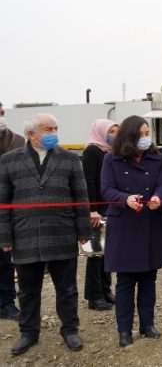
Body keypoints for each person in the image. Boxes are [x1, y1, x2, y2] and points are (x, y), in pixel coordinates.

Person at [0, 114, 91, 355]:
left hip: (61, 232)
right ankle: (29, 332)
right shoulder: (9, 161)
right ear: (31, 134)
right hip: (25, 234)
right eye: (48, 129)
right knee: (28, 289)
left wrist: (84, 232)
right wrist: (4, 237)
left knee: (67, 288)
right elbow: (3, 201)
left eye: (55, 128)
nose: (54, 133)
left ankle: (70, 329)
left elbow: (81, 198)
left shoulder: (70, 159)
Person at [101, 115, 162, 347]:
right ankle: (124, 330)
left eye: (146, 133)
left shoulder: (157, 158)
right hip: (124, 226)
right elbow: (107, 189)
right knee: (125, 282)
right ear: (129, 136)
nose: (144, 138)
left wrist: (159, 197)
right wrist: (125, 198)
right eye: (140, 134)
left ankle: (147, 324)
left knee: (149, 278)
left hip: (151, 222)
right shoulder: (112, 159)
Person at [82, 119, 119, 312]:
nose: (114, 134)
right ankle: (93, 296)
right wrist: (92, 209)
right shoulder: (92, 151)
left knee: (107, 254)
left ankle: (106, 290)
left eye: (116, 130)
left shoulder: (110, 152)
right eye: (111, 131)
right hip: (97, 210)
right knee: (95, 253)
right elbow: (89, 181)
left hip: (109, 208)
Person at [0, 102, 24, 322]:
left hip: (7, 207)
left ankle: (6, 302)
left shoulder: (17, 141)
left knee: (5, 259)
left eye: (1, 113)